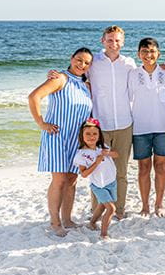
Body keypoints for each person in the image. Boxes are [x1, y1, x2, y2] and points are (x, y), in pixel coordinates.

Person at [29, 47, 94, 237]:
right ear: (71, 58)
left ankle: (67, 219)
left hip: (76, 139)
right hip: (57, 136)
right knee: (59, 180)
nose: (82, 65)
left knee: (72, 180)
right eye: (79, 60)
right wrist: (41, 123)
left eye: (87, 63)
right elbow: (34, 97)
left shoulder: (85, 85)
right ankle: (55, 222)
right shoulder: (60, 78)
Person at [86, 25, 136, 219]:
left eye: (117, 40)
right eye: (109, 40)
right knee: (98, 169)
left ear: (122, 42)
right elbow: (76, 74)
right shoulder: (94, 63)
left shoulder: (129, 63)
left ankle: (119, 209)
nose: (113, 43)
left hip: (124, 123)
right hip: (100, 125)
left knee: (121, 170)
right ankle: (96, 210)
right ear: (102, 41)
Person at [128, 38, 165, 217]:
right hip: (140, 127)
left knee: (161, 166)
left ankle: (159, 204)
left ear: (158, 54)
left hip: (163, 126)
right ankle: (145, 206)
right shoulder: (132, 74)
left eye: (152, 51)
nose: (149, 55)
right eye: (145, 52)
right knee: (144, 167)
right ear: (139, 54)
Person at [73, 118, 119, 239]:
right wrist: (97, 162)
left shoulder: (102, 147)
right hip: (98, 185)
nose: (91, 136)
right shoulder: (81, 154)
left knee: (102, 205)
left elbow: (116, 154)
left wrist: (107, 153)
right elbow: (84, 174)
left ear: (99, 136)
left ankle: (92, 222)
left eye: (94, 134)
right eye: (87, 134)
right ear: (82, 136)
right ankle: (104, 233)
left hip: (111, 182)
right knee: (111, 208)